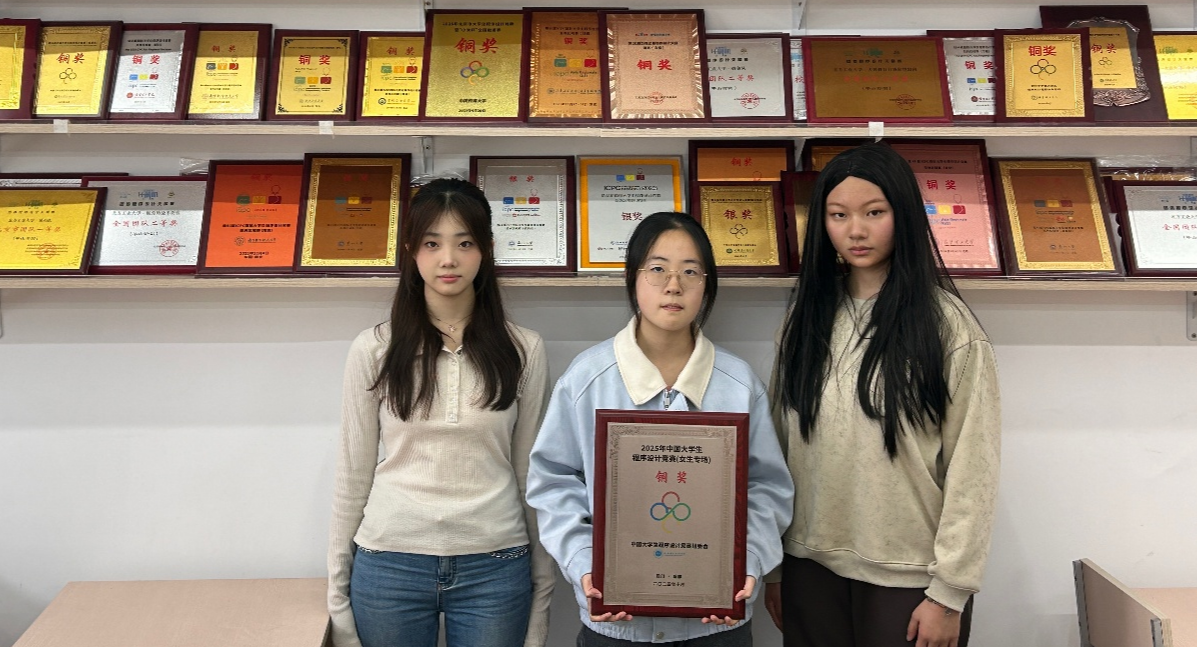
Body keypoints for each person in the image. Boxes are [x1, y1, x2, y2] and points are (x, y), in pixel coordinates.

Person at [764, 143, 1001, 647]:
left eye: (874, 213)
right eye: (838, 215)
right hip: (809, 566)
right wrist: (775, 567)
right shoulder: (804, 319)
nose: (856, 230)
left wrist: (949, 594)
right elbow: (778, 449)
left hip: (911, 579)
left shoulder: (948, 327)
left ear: (904, 216)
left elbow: (973, 469)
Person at [526, 211, 795, 646]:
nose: (674, 285)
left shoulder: (738, 384)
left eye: (690, 271)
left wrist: (746, 562)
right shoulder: (587, 379)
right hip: (616, 623)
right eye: (657, 269)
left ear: (707, 284)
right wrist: (585, 563)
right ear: (633, 278)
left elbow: (767, 488)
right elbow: (553, 482)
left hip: (715, 625)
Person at [326, 178, 553, 647]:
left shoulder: (523, 349)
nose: (448, 259)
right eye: (432, 244)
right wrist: (338, 599)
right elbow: (351, 476)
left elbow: (532, 476)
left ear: (485, 251)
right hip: (389, 563)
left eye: (464, 243)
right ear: (412, 251)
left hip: (496, 564)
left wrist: (542, 595)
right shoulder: (374, 349)